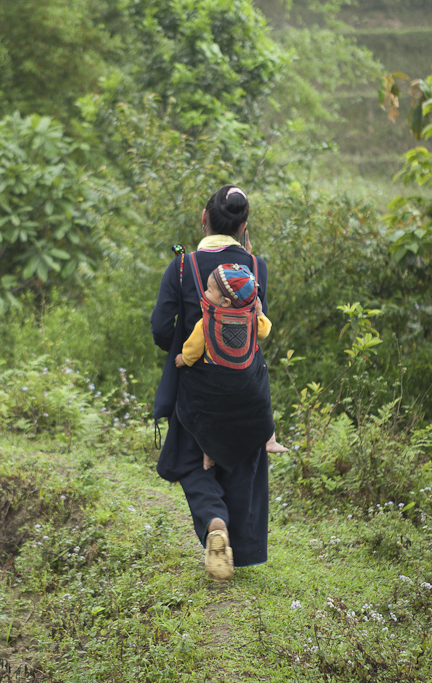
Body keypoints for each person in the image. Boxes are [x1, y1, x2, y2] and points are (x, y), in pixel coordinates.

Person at [150, 184, 278, 581]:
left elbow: (159, 327)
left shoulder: (183, 266)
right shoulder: (256, 268)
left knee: (191, 461)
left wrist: (181, 347)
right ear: (243, 226)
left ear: (204, 220)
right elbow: (260, 325)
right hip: (247, 389)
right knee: (241, 459)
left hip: (197, 391)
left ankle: (213, 523)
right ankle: (243, 548)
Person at [174, 262, 287, 469]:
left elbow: (193, 350)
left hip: (217, 384)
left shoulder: (206, 322)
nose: (204, 293)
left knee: (208, 419)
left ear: (225, 301)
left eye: (209, 290)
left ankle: (209, 453)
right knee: (263, 402)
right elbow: (265, 332)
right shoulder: (252, 319)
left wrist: (183, 359)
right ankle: (269, 440)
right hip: (246, 385)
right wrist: (260, 313)